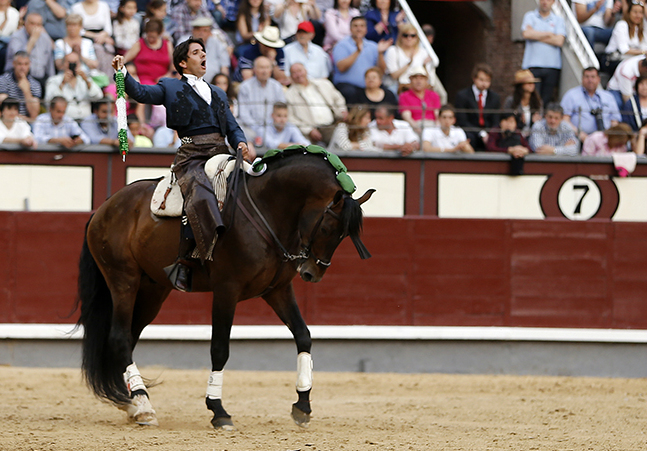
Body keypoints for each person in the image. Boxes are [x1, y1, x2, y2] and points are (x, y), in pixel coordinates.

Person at [112, 37, 250, 292]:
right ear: (183, 63)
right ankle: (186, 260)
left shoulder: (218, 92)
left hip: (222, 152)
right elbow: (141, 93)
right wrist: (123, 73)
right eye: (196, 52)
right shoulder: (170, 86)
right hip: (193, 156)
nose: (203, 55)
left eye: (203, 51)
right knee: (199, 193)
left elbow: (232, 127)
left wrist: (241, 143)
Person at [285, 62, 347, 145]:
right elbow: (291, 118)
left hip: (333, 124)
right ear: (291, 76)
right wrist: (309, 130)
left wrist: (342, 110)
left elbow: (338, 98)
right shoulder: (289, 95)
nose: (298, 75)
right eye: (294, 73)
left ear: (306, 71)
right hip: (311, 130)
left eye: (300, 71)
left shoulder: (324, 84)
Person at [332, 16, 390, 102]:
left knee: (388, 94)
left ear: (366, 29)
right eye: (355, 26)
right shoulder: (341, 45)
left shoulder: (373, 46)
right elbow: (341, 67)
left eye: (362, 26)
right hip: (347, 86)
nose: (359, 29)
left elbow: (382, 71)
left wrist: (380, 53)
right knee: (351, 93)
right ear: (350, 29)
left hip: (369, 87)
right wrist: (357, 51)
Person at [520, 0, 566, 106]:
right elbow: (526, 34)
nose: (545, 2)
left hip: (552, 66)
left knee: (546, 100)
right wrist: (549, 34)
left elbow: (559, 41)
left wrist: (536, 34)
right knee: (531, 99)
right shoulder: (530, 16)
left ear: (553, 2)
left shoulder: (558, 19)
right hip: (532, 65)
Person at [560, 66, 621, 142]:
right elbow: (564, 120)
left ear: (599, 79)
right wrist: (580, 134)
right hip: (578, 139)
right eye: (587, 77)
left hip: (605, 140)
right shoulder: (571, 95)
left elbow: (614, 121)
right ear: (582, 79)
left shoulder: (608, 97)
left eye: (593, 77)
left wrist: (610, 138)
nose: (590, 80)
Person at [454, 63, 501, 151]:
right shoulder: (462, 96)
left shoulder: (495, 98)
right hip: (470, 133)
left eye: (487, 80)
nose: (484, 83)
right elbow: (462, 121)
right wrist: (481, 133)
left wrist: (490, 135)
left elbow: (495, 120)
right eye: (481, 79)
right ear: (474, 79)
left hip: (489, 134)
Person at [238, 55, 286, 140]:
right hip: (251, 129)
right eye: (261, 68)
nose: (264, 71)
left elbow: (281, 109)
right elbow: (244, 114)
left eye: (267, 67)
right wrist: (258, 128)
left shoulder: (277, 86)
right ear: (254, 70)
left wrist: (272, 127)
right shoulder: (245, 87)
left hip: (274, 128)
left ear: (271, 70)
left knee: (292, 129)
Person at [45, 52, 104, 120]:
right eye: (69, 62)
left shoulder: (86, 79)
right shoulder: (54, 80)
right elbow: (49, 102)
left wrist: (87, 81)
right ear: (63, 64)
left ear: (79, 64)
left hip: (86, 120)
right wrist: (62, 84)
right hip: (65, 121)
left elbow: (99, 96)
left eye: (75, 62)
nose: (72, 65)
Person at [383, 23, 438, 95]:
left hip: (418, 89)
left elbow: (427, 78)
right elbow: (394, 75)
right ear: (400, 36)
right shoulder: (393, 51)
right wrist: (409, 64)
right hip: (399, 88)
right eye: (405, 35)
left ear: (417, 37)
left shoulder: (423, 52)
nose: (409, 38)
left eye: (413, 36)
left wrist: (424, 66)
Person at [4, 13, 56, 89]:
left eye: (38, 24)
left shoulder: (46, 38)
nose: (35, 27)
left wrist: (52, 81)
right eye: (32, 23)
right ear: (25, 23)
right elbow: (19, 58)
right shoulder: (16, 37)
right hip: (16, 78)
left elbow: (50, 63)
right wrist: (32, 40)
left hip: (41, 79)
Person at [604, 0, 647, 74]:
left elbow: (644, 46)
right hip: (613, 60)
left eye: (640, 13)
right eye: (635, 12)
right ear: (629, 12)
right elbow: (624, 50)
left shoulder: (642, 28)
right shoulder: (621, 25)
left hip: (631, 60)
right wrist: (643, 52)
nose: (638, 15)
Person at [184, 17, 231, 81]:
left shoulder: (216, 42)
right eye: (198, 30)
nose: (201, 33)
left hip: (213, 84)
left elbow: (224, 67)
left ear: (210, 32)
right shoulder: (184, 42)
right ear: (193, 31)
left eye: (205, 30)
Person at [0, 51, 42, 120]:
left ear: (29, 65)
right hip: (6, 120)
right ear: (14, 64)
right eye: (20, 64)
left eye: (26, 64)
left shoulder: (35, 84)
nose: (23, 68)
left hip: (26, 122)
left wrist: (27, 91)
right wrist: (16, 118)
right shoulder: (3, 80)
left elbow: (34, 115)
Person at [398, 66, 440, 133]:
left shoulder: (434, 95)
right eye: (415, 78)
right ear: (410, 80)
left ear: (426, 80)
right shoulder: (404, 96)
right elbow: (407, 117)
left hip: (432, 126)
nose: (418, 81)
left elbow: (437, 115)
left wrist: (437, 130)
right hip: (414, 126)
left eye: (421, 78)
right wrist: (418, 130)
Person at [503, 69, 543, 136]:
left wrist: (536, 122)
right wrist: (518, 120)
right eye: (528, 83)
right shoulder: (510, 101)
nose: (532, 85)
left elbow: (541, 122)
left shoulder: (538, 102)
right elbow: (506, 121)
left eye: (533, 83)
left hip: (533, 136)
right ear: (521, 85)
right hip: (515, 136)